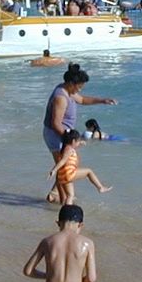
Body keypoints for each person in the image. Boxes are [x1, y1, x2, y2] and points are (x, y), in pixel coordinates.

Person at [43, 64, 117, 201]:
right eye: (79, 86)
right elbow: (55, 124)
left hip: (64, 135)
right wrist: (70, 142)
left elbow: (82, 100)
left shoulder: (68, 91)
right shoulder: (61, 97)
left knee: (67, 166)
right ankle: (62, 199)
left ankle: (55, 195)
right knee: (65, 169)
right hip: (57, 136)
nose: (80, 89)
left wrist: (102, 101)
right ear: (71, 83)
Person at [48, 131, 112, 205]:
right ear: (73, 141)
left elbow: (72, 147)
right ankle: (100, 188)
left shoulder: (66, 148)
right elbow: (62, 161)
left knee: (70, 196)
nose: (79, 143)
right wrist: (54, 170)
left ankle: (67, 209)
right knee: (89, 171)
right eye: (78, 141)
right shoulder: (69, 150)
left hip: (62, 175)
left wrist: (80, 143)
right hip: (69, 173)